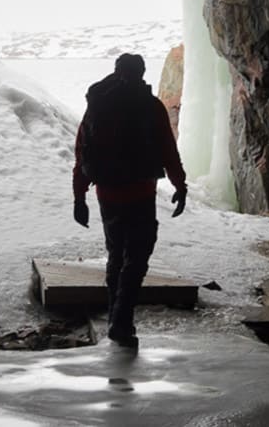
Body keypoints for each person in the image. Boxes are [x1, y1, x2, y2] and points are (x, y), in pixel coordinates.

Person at [72, 53, 187, 347]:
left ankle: (116, 317)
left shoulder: (98, 105)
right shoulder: (151, 106)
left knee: (116, 254)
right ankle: (121, 322)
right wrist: (180, 185)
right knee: (136, 257)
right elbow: (168, 150)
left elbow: (82, 150)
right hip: (140, 192)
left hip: (107, 193)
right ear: (142, 72)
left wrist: (79, 197)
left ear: (116, 71)